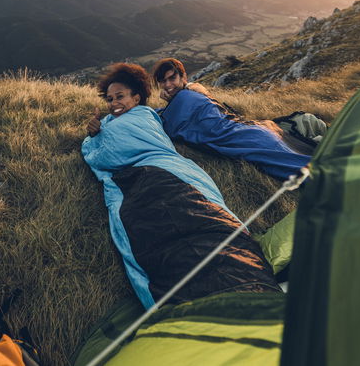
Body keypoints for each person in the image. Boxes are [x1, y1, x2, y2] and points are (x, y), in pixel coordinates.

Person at [82, 63, 280, 310]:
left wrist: (95, 141)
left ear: (137, 96)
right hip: (134, 181)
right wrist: (94, 134)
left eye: (120, 96)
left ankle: (244, 283)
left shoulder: (146, 115)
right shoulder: (108, 123)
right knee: (154, 234)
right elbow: (100, 150)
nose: (114, 103)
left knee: (207, 219)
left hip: (168, 170)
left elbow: (104, 156)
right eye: (110, 99)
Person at [152, 58, 326, 181]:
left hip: (251, 136)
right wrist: (173, 100)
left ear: (183, 77)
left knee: (305, 165)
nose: (168, 85)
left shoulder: (186, 98)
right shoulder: (190, 95)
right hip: (252, 132)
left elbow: (169, 122)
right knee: (305, 149)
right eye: (163, 81)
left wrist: (173, 101)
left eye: (172, 78)